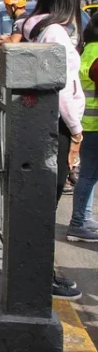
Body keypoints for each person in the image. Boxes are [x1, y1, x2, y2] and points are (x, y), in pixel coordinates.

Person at [17, 0, 84, 299]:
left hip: (43, 122)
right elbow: (63, 89)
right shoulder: (57, 32)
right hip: (56, 124)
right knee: (46, 202)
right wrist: (76, 129)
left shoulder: (37, 27)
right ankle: (42, 275)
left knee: (43, 201)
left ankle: (43, 272)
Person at [68, 16, 98, 243]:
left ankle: (84, 218)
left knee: (89, 174)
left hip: (85, 122)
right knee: (88, 176)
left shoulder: (87, 50)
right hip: (94, 124)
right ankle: (78, 223)